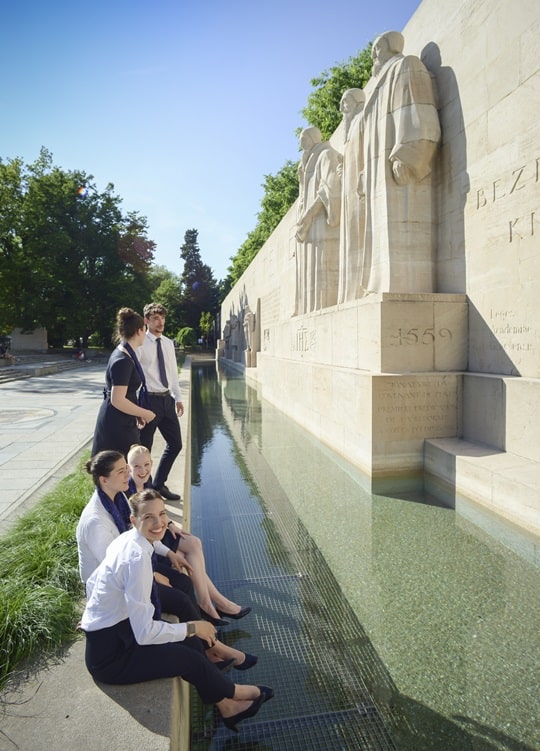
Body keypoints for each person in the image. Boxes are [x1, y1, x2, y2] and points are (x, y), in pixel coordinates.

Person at [79, 490, 274, 732]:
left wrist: (93, 614)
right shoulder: (136, 558)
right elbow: (145, 633)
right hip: (112, 657)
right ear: (133, 520)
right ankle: (234, 693)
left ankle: (227, 707)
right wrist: (194, 626)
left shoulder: (129, 540)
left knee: (192, 645)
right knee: (188, 657)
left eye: (162, 514)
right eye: (148, 517)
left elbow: (94, 581)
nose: (158, 523)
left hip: (120, 630)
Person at [77, 452, 256, 670]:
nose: (129, 474)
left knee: (184, 581)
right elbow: (115, 566)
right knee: (179, 598)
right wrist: (152, 574)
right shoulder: (97, 521)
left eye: (127, 468)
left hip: (135, 568)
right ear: (104, 480)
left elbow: (138, 535)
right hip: (118, 589)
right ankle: (208, 648)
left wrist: (169, 554)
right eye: (122, 470)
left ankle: (208, 641)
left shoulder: (117, 498)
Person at [127, 444, 252, 624]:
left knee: (193, 542)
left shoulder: (147, 483)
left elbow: (157, 510)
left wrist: (170, 523)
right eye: (137, 466)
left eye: (146, 465)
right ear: (129, 467)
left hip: (158, 534)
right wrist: (169, 551)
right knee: (184, 552)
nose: (143, 470)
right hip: (150, 544)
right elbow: (139, 535)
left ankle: (212, 603)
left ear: (151, 463)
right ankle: (213, 604)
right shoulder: (128, 494)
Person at [359, 31, 441, 294]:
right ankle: (383, 285)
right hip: (377, 178)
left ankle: (405, 290)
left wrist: (407, 152)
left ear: (386, 48)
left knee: (403, 232)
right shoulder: (378, 88)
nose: (373, 56)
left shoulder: (406, 66)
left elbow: (419, 109)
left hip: (401, 167)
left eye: (375, 50)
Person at [91, 308, 155, 458]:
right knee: (119, 469)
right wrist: (145, 413)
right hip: (117, 422)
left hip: (122, 418)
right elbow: (117, 399)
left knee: (124, 470)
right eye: (144, 330)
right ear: (140, 331)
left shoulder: (125, 353)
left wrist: (135, 413)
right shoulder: (122, 360)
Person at [138, 303, 183, 501]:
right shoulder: (140, 343)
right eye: (156, 318)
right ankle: (145, 490)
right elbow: (135, 374)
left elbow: (172, 371)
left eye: (162, 318)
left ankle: (158, 484)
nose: (160, 322)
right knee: (144, 450)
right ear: (146, 320)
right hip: (148, 401)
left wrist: (178, 397)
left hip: (166, 399)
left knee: (175, 444)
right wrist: (137, 408)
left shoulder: (167, 342)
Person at [295, 127, 341, 314]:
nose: (301, 143)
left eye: (304, 138)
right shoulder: (307, 164)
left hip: (321, 221)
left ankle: (323, 309)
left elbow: (329, 187)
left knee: (322, 265)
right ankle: (310, 311)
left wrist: (310, 213)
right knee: (310, 270)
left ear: (313, 138)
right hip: (309, 225)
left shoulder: (326, 154)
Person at [337, 88, 366, 304]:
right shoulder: (349, 132)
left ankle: (362, 286)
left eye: (345, 101)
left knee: (361, 236)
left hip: (361, 190)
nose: (342, 107)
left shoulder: (364, 117)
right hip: (349, 195)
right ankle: (351, 292)